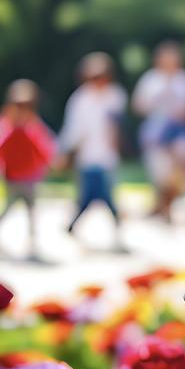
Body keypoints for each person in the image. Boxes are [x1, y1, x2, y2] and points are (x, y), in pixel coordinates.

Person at [0, 79, 55, 257]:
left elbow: (41, 146)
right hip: (12, 176)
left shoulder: (33, 126)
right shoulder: (6, 126)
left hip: (30, 176)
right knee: (9, 206)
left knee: (32, 209)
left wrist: (48, 161)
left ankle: (32, 241)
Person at [57, 52, 127, 243]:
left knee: (107, 194)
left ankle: (116, 224)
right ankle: (74, 223)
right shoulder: (80, 100)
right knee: (86, 194)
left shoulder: (114, 96)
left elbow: (117, 125)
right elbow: (73, 130)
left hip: (107, 156)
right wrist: (66, 151)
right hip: (87, 156)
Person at [132, 40, 185, 218]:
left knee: (179, 172)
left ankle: (174, 205)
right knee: (159, 172)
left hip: (178, 133)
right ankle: (161, 205)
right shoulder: (150, 79)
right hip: (156, 133)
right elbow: (138, 105)